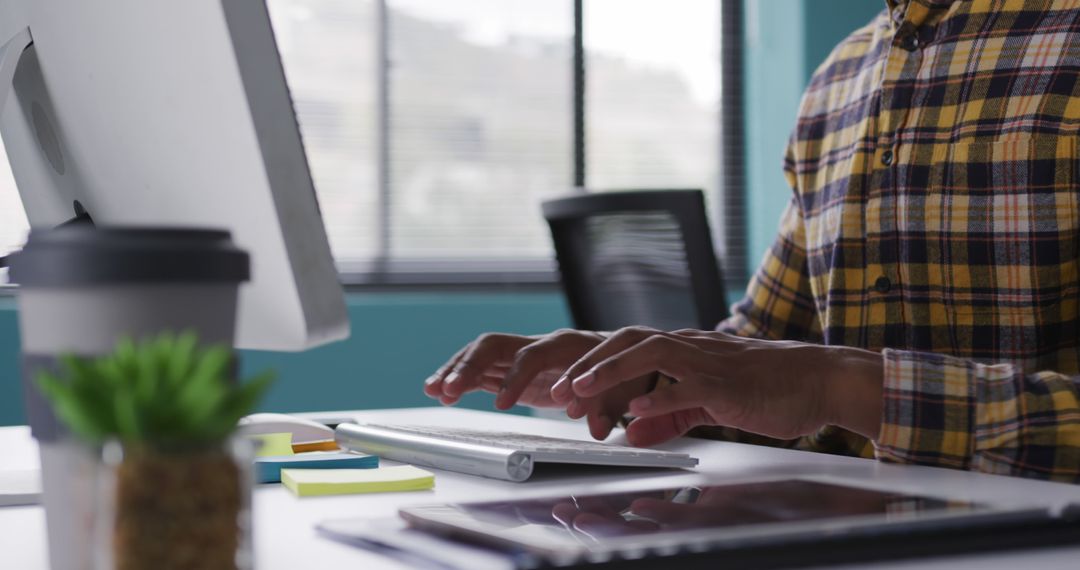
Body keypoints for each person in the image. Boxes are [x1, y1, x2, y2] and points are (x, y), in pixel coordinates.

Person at [425, 0, 1080, 483]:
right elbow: (764, 354)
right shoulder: (842, 76)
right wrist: (637, 372)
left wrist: (845, 388)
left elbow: (812, 380)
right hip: (846, 525)